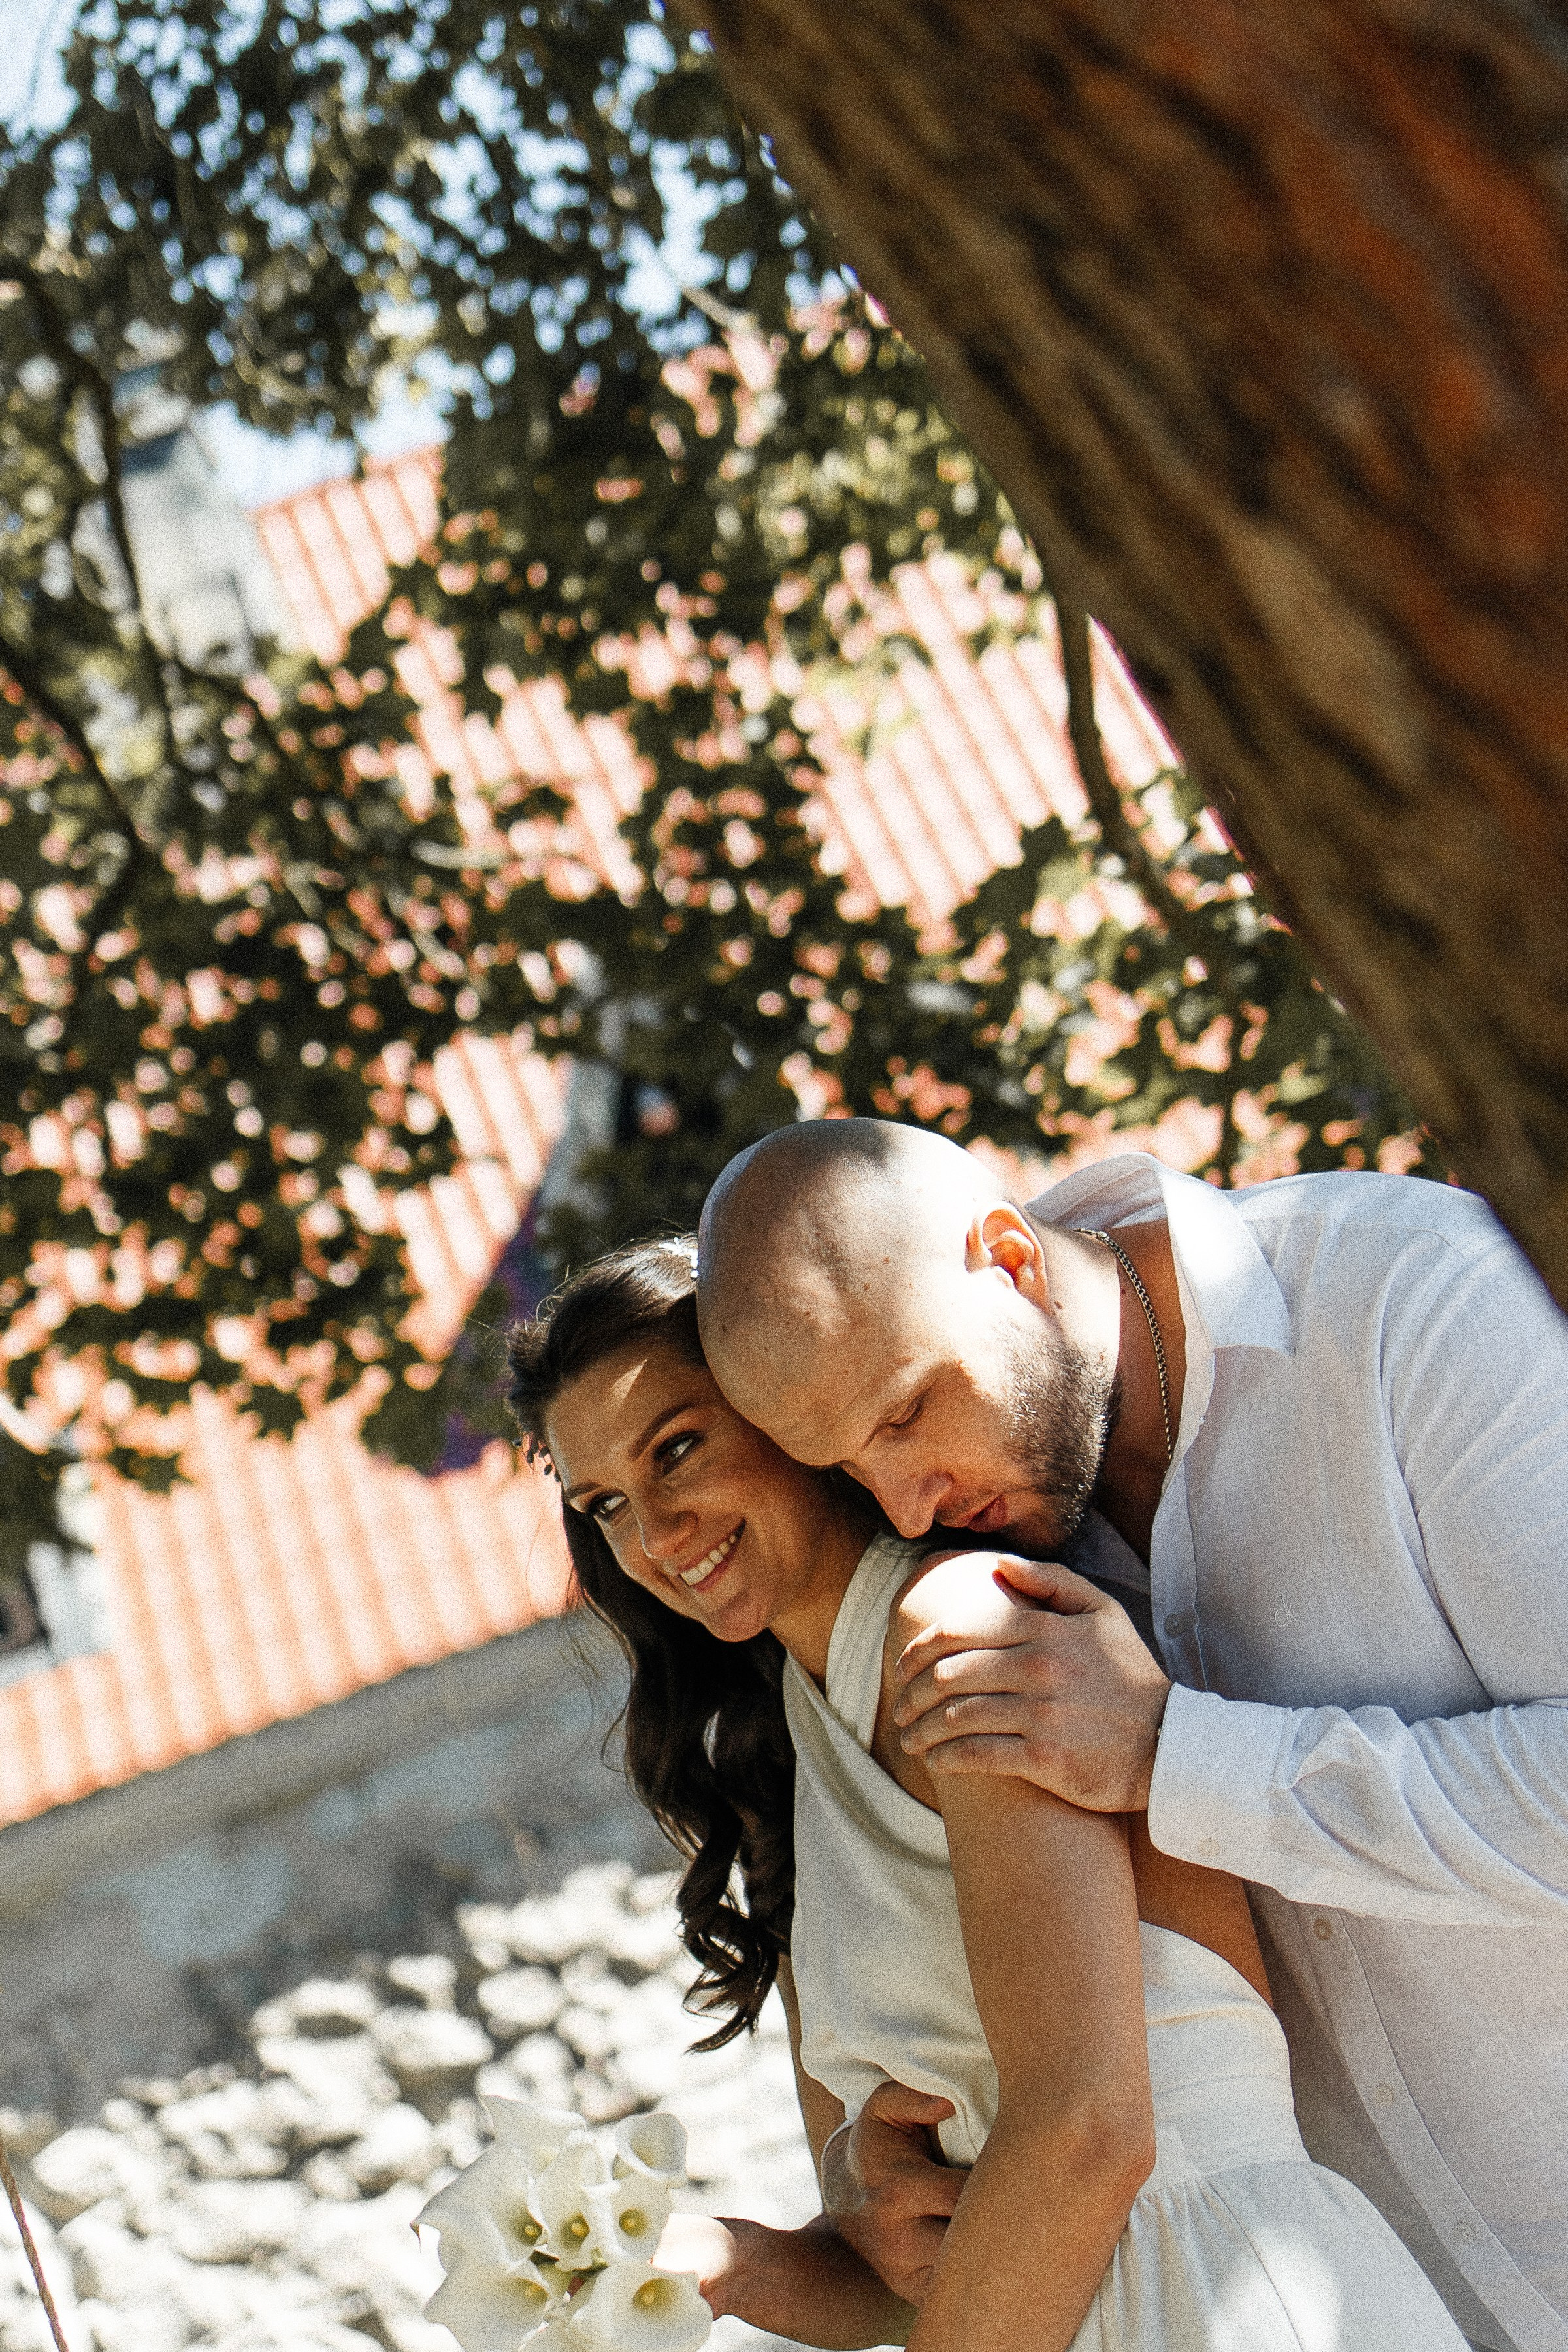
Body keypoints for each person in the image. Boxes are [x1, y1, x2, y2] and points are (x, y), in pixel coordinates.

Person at [694, 1118, 1568, 2352]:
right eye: (843, 1467)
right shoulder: (975, 1584)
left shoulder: (1417, 1306)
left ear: (1009, 1259)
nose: (904, 1504)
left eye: (902, 1417)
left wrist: (1173, 1756)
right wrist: (868, 2177)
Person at [504, 1235, 1468, 2352]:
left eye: (675, 1449)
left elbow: (1090, 2134)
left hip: (1222, 2292)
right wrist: (729, 2262)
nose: (657, 1537)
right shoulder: (785, 1763)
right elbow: (911, 2279)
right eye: (607, 1506)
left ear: (786, 1413)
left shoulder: (963, 1631)